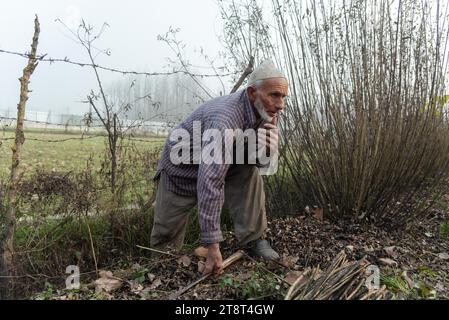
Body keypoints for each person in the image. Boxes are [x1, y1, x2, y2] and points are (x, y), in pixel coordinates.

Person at [151, 60, 289, 276]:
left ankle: (254, 239)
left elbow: (261, 164)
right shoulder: (226, 118)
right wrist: (212, 245)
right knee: (165, 243)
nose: (280, 104)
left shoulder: (268, 112)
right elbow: (210, 180)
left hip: (223, 160)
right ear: (252, 93)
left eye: (283, 97)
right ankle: (158, 270)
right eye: (274, 95)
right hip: (181, 172)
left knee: (248, 169)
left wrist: (268, 150)